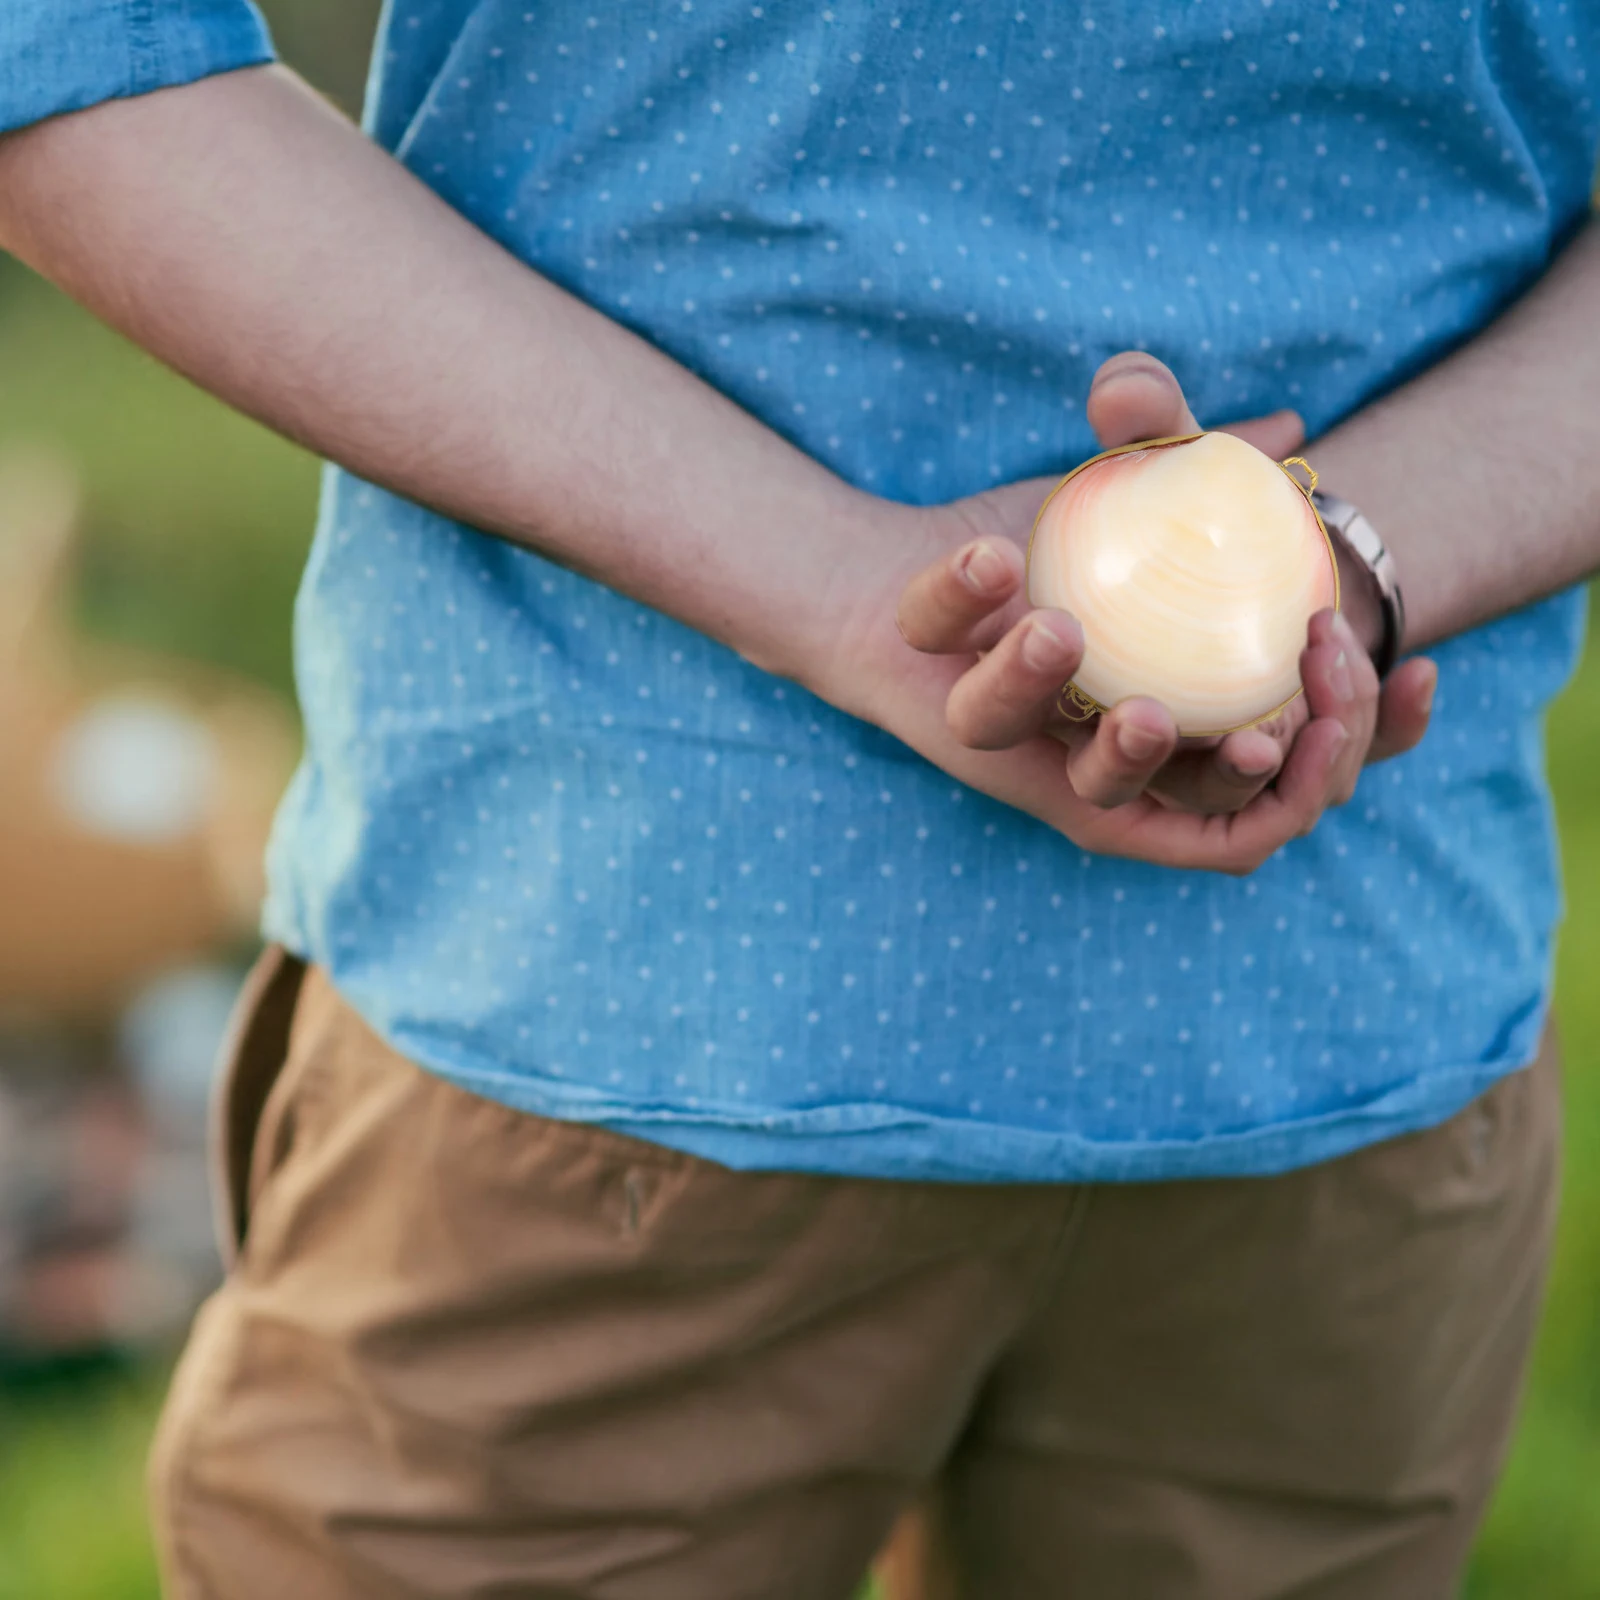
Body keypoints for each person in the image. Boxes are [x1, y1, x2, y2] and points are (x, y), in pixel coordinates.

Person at [2, 3, 1595, 1595]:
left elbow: (56, 54)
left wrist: (869, 583)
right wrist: (1326, 573)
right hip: (1320, 1000)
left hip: (626, 975)